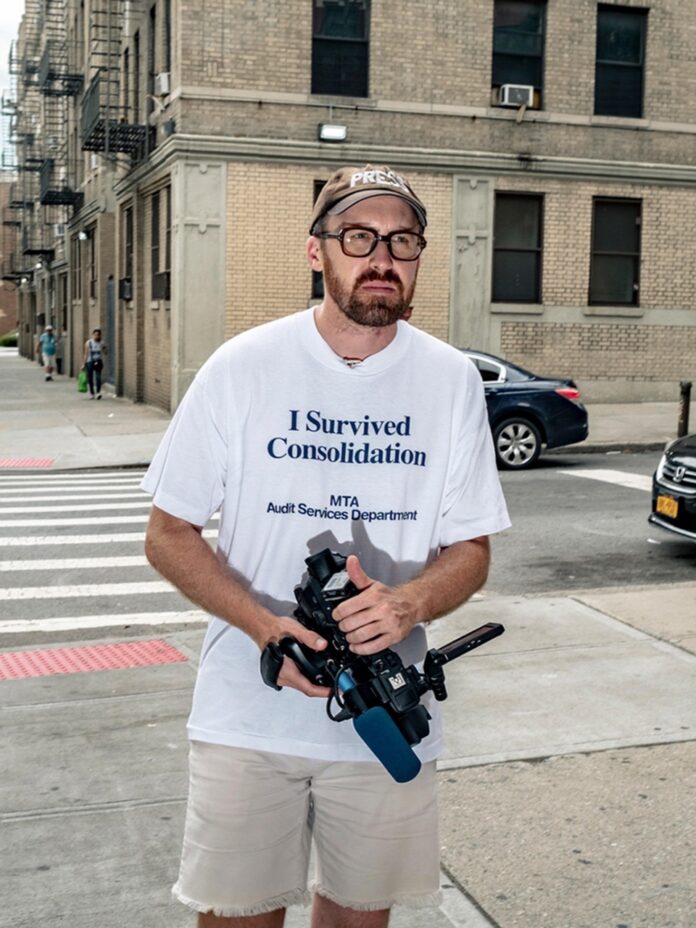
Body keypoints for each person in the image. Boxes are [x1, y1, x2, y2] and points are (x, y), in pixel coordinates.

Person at [141, 164, 510, 928]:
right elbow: (169, 534)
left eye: (402, 241)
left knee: (358, 918)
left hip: (389, 708)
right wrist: (267, 627)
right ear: (318, 252)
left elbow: (470, 549)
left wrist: (410, 602)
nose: (382, 257)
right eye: (358, 236)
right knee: (237, 917)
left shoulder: (449, 382)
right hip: (249, 714)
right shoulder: (243, 367)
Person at [82, 328, 106, 399]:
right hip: (90, 362)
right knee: (90, 378)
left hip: (98, 362)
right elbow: (86, 354)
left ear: (100, 336)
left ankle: (98, 392)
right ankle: (92, 393)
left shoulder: (101, 343)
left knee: (98, 377)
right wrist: (83, 363)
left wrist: (104, 348)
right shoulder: (88, 343)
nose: (96, 336)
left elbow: (105, 352)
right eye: (95, 335)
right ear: (93, 335)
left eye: (98, 335)